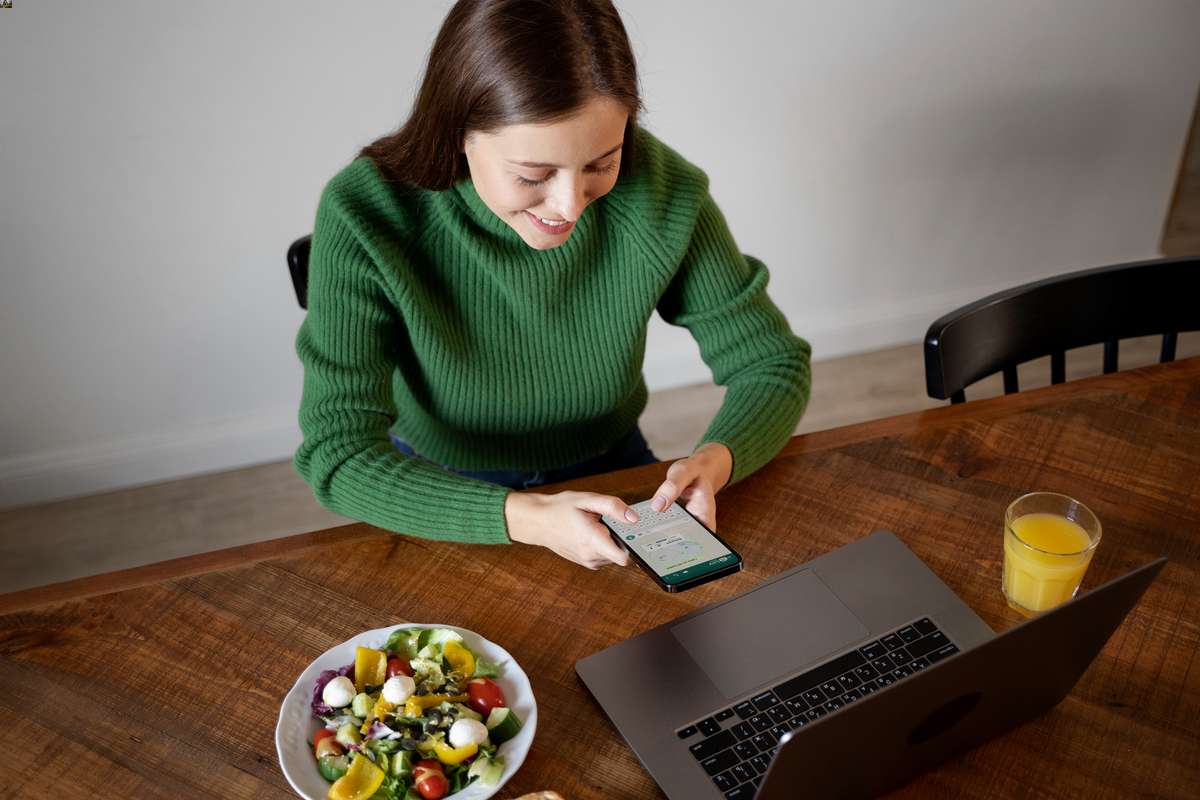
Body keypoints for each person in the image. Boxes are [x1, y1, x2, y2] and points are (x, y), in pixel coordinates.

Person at [294, 0, 811, 570]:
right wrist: (526, 517)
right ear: (458, 131)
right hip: (438, 484)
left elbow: (770, 363)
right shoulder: (366, 212)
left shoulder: (663, 192)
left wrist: (717, 460)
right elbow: (338, 454)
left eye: (601, 164)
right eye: (533, 175)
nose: (569, 207)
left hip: (612, 464)